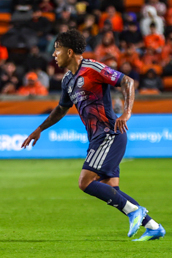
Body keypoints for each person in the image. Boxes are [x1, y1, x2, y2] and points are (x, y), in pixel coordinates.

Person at [21, 29, 164, 241]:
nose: (54, 54)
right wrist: (40, 128)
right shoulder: (67, 80)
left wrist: (126, 112)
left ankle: (134, 211)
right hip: (97, 137)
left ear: (69, 52)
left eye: (57, 50)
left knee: (85, 182)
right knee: (109, 188)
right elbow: (61, 108)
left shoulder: (93, 68)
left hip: (109, 133)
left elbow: (127, 81)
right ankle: (153, 227)